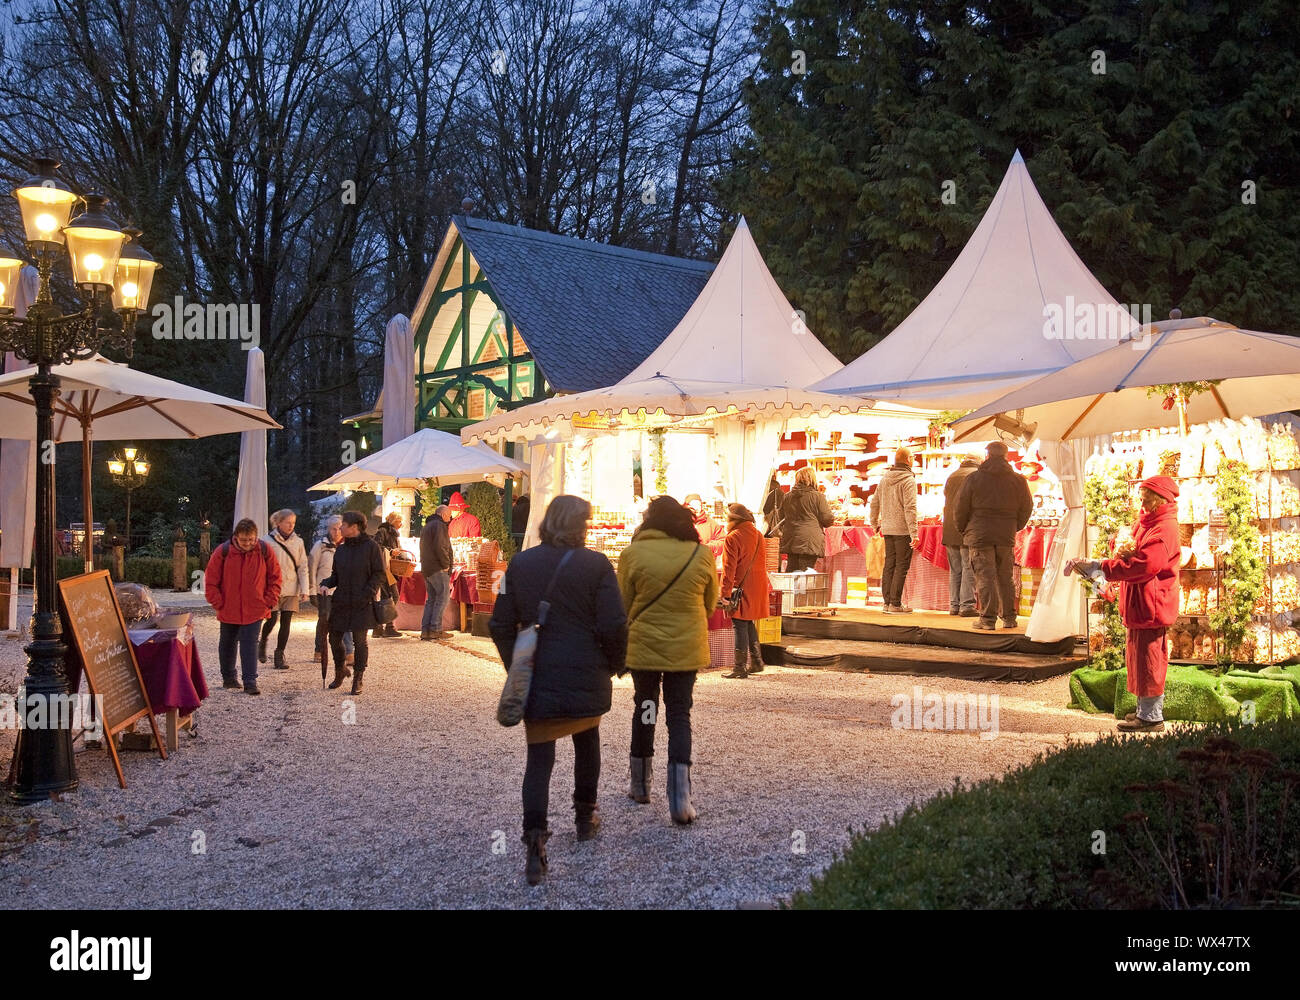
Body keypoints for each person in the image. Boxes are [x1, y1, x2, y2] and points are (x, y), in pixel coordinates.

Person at [489, 495, 628, 886]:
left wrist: (518, 665)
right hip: (586, 671)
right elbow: (614, 623)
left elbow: (499, 625)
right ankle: (585, 818)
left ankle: (535, 842)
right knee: (588, 741)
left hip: (540, 675)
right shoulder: (597, 565)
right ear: (578, 525)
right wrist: (616, 663)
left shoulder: (521, 563)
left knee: (539, 761)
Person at [618, 496, 718, 825]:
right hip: (684, 652)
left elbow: (625, 605)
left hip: (645, 650)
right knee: (679, 715)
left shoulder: (632, 554)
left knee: (646, 709)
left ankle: (641, 785)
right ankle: (680, 798)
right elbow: (710, 604)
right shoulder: (700, 554)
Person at [1068, 477, 1180, 732]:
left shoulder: (1164, 529)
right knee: (1139, 659)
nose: (1142, 500)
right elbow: (1133, 551)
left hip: (1152, 604)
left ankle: (1152, 718)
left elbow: (1144, 566)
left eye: (1146, 495)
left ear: (1160, 498)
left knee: (1150, 660)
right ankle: (1144, 711)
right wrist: (1118, 544)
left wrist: (1102, 566)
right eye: (1141, 494)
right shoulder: (1147, 522)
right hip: (1142, 603)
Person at [954, 441, 1033, 630]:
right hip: (1005, 535)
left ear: (987, 455)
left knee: (985, 577)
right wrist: (1014, 526)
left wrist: (964, 529)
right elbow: (1027, 508)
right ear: (1006, 456)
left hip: (980, 534)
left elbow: (960, 508)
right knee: (1005, 577)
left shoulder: (974, 479)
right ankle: (1009, 618)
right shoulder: (1018, 480)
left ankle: (988, 619)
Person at [205, 518, 281, 695]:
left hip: (255, 607)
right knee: (227, 643)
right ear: (236, 537)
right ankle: (229, 678)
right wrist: (218, 602)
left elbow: (275, 577)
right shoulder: (222, 551)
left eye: (251, 539)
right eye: (244, 540)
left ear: (256, 537)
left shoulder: (264, 550)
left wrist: (269, 600)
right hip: (229, 607)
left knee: (250, 643)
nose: (248, 543)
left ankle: (250, 681)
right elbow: (210, 580)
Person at [318, 511, 386, 694]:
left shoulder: (371, 547)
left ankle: (358, 678)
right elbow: (336, 576)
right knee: (334, 638)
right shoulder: (341, 549)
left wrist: (367, 593)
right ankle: (340, 669)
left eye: (344, 525)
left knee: (359, 641)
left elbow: (379, 573)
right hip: (342, 601)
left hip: (362, 602)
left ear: (354, 527)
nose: (340, 528)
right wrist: (326, 583)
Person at [719, 503, 772, 680]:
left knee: (739, 624)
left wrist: (725, 593)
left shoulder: (733, 536)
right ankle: (757, 661)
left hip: (740, 587)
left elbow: (729, 569)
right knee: (748, 622)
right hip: (758, 584)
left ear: (733, 519)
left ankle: (739, 667)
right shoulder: (757, 534)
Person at [870, 448, 919, 614]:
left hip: (888, 528)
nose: (914, 460)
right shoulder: (908, 480)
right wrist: (914, 533)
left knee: (889, 564)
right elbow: (910, 507)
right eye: (912, 457)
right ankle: (895, 603)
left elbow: (874, 502)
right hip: (903, 529)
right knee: (901, 566)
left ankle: (887, 602)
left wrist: (874, 523)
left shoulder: (885, 478)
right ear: (908, 460)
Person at [260, 509, 309, 670]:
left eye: (293, 523)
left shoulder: (298, 542)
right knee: (272, 619)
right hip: (272, 588)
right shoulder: (267, 541)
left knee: (286, 622)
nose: (291, 526)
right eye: (288, 522)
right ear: (279, 522)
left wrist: (305, 589)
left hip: (291, 586)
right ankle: (263, 641)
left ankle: (279, 654)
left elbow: (303, 566)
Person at [308, 516, 353, 672]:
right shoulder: (320, 546)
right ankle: (319, 649)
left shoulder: (349, 546)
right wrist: (312, 589)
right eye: (333, 528)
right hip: (324, 589)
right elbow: (312, 567)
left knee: (346, 619)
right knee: (324, 620)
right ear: (328, 529)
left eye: (339, 528)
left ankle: (349, 651)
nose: (336, 532)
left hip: (342, 590)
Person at [942, 454, 982, 617]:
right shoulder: (976, 476)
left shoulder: (952, 476)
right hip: (966, 528)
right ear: (979, 462)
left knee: (955, 569)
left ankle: (954, 605)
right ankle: (967, 605)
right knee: (968, 567)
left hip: (949, 528)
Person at [779, 466, 834, 573]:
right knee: (805, 573)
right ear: (812, 479)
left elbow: (781, 517)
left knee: (791, 571)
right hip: (809, 540)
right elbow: (827, 518)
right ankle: (800, 590)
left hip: (791, 539)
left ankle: (787, 590)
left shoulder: (787, 496)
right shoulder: (818, 497)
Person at [419, 504, 454, 641]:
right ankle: (435, 629)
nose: (450, 518)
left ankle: (425, 630)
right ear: (443, 514)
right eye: (449, 515)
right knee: (442, 598)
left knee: (432, 599)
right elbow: (441, 546)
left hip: (427, 567)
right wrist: (446, 565)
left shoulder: (428, 525)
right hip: (437, 567)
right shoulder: (439, 526)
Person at [372, 511, 405, 639]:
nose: (401, 524)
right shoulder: (384, 531)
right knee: (391, 596)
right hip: (384, 569)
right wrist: (391, 551)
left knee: (388, 597)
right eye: (399, 521)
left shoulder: (393, 533)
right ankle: (386, 627)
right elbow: (377, 547)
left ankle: (380, 627)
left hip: (389, 569)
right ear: (393, 521)